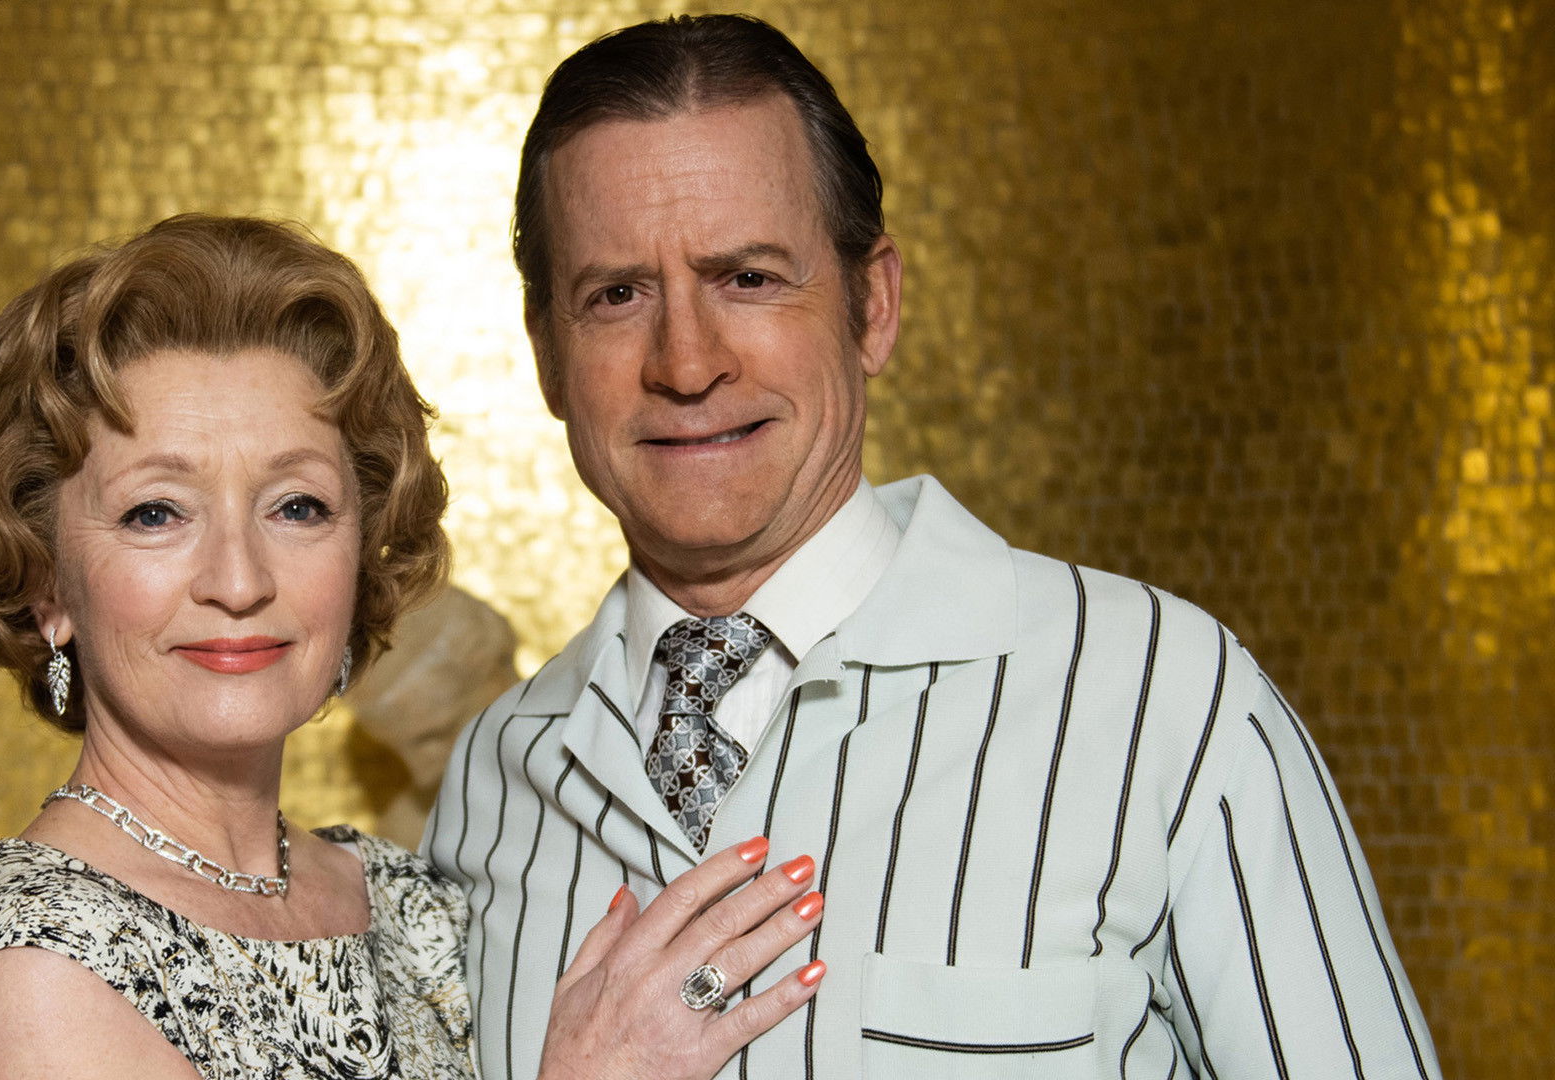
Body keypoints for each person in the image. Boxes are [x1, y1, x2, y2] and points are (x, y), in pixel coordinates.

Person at [425, 15, 1444, 1080]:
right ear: (546, 356)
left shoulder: (1168, 704)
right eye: (617, 295)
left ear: (873, 306)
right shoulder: (491, 783)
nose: (686, 362)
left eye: (749, 278)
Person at [0, 214, 827, 1079]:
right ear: (47, 582)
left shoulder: (404, 895)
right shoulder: (37, 972)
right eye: (156, 513)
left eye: (297, 507)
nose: (239, 580)